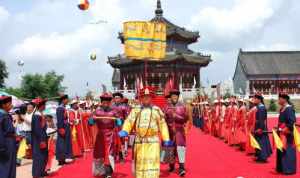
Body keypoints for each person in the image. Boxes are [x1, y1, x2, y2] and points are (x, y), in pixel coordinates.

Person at [119, 87, 171, 178]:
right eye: (144, 96)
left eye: (148, 96)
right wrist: (125, 130)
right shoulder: (136, 110)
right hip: (140, 142)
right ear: (141, 98)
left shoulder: (156, 110)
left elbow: (163, 125)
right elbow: (129, 121)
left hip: (153, 142)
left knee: (152, 164)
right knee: (140, 163)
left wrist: (166, 138)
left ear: (151, 97)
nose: (146, 98)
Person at [91, 93, 120, 178]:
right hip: (100, 135)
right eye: (104, 102)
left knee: (109, 154)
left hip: (110, 135)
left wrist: (118, 121)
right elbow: (90, 122)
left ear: (110, 103)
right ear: (101, 102)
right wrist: (92, 120)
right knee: (100, 153)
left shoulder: (114, 111)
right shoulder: (97, 111)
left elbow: (119, 122)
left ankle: (109, 172)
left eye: (107, 102)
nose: (106, 104)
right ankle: (100, 171)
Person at [163, 89, 188, 176]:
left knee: (180, 149)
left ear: (178, 97)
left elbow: (185, 118)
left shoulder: (182, 106)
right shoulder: (166, 107)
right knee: (170, 149)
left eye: (175, 96)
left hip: (179, 131)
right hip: (169, 131)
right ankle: (171, 165)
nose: (174, 97)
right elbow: (163, 119)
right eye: (172, 96)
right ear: (170, 97)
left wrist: (176, 116)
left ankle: (181, 168)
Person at [276, 93, 297, 175]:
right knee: (281, 150)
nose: (278, 100)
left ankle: (289, 169)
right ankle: (282, 168)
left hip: (287, 134)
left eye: (280, 98)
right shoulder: (282, 109)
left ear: (284, 99)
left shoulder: (289, 109)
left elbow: (292, 122)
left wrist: (284, 129)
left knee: (287, 151)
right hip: (281, 132)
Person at [31, 98, 49, 178]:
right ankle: (37, 174)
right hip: (39, 140)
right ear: (40, 106)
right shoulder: (36, 116)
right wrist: (42, 140)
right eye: (44, 104)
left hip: (43, 137)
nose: (45, 106)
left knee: (44, 156)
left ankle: (42, 171)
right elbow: (38, 130)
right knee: (39, 156)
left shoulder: (40, 114)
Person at [253, 93, 272, 163]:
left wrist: (260, 128)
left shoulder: (261, 108)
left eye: (255, 99)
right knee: (258, 141)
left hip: (260, 127)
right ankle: (259, 156)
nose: (254, 100)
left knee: (262, 142)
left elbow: (261, 119)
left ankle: (262, 157)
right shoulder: (259, 107)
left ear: (259, 100)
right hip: (258, 125)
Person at [0, 95, 16, 178]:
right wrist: (2, 147)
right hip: (6, 143)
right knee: (6, 166)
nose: (11, 105)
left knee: (9, 165)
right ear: (3, 105)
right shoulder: (3, 115)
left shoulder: (5, 114)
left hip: (9, 141)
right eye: (9, 104)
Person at [56, 94, 73, 165]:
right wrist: (61, 129)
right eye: (67, 99)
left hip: (65, 126)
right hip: (63, 128)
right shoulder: (60, 108)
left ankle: (64, 158)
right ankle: (61, 159)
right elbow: (60, 120)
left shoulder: (64, 108)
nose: (67, 100)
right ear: (63, 100)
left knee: (65, 143)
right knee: (61, 144)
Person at [112, 92, 128, 162]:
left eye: (118, 98)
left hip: (121, 127)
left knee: (121, 142)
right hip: (113, 127)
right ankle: (113, 157)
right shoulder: (111, 107)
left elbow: (126, 118)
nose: (116, 99)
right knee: (113, 142)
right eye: (115, 98)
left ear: (121, 99)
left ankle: (121, 157)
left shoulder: (124, 107)